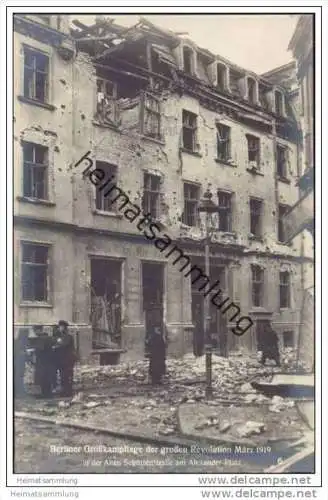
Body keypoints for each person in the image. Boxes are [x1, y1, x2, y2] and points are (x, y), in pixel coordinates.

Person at [53, 320, 76, 397]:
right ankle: (64, 391)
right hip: (62, 360)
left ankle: (68, 392)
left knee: (67, 376)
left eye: (60, 326)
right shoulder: (60, 336)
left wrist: (56, 346)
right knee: (63, 376)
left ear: (64, 327)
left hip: (68, 359)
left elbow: (63, 345)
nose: (59, 328)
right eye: (59, 326)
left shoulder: (68, 336)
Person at [33, 325, 56, 398]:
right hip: (49, 361)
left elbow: (40, 349)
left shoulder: (41, 339)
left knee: (42, 378)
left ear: (38, 330)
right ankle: (48, 394)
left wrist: (34, 351)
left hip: (42, 361)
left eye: (35, 330)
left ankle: (44, 394)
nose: (34, 332)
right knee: (47, 378)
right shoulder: (48, 337)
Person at [14, 328, 29, 397]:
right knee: (19, 377)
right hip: (19, 362)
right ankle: (19, 392)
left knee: (18, 377)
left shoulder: (16, 342)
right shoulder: (21, 343)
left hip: (18, 362)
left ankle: (18, 391)